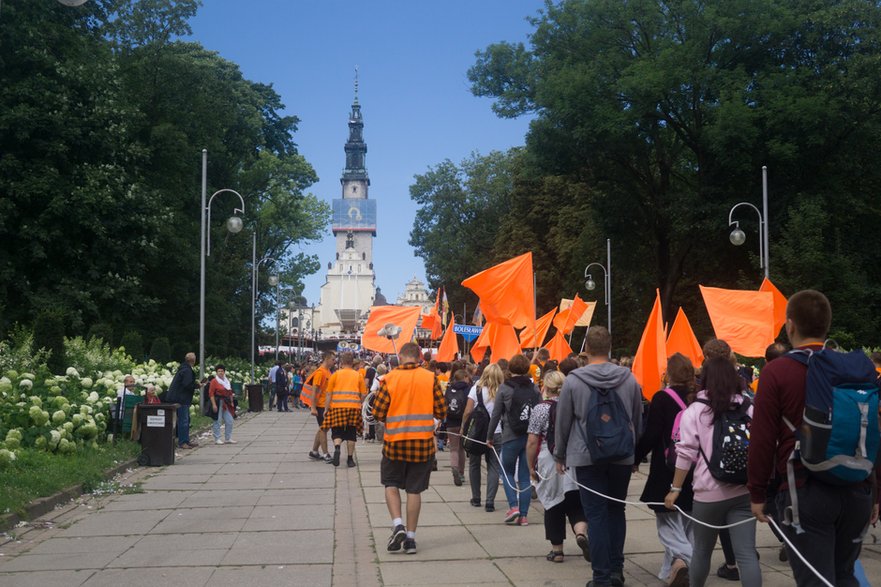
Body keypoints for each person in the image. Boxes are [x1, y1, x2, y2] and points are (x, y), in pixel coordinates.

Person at [748, 290, 879, 586]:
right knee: (844, 576)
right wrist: (875, 490)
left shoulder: (777, 371)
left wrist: (757, 492)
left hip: (804, 489)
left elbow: (762, 438)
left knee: (815, 580)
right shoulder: (858, 370)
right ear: (827, 325)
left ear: (790, 325)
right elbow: (872, 430)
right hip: (857, 487)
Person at [555, 326, 643, 587]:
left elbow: (563, 421)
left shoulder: (574, 380)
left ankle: (601, 577)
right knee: (617, 510)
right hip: (621, 456)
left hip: (585, 455)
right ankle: (616, 570)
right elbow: (637, 418)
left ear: (588, 350)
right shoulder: (628, 379)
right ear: (609, 346)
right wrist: (635, 453)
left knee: (596, 515)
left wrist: (560, 454)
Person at [665, 356, 760, 587]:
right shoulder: (747, 406)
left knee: (702, 551)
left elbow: (686, 453)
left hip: (708, 492)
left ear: (704, 378)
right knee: (746, 554)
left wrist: (675, 489)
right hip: (742, 489)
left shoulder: (695, 410)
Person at [373, 342, 446, 555]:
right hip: (422, 444)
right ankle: (411, 540)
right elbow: (441, 411)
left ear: (401, 357)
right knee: (414, 490)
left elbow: (377, 413)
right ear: (419, 358)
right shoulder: (430, 378)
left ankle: (398, 525)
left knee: (391, 484)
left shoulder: (389, 378)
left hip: (394, 443)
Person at [634, 353, 696, 587]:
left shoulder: (661, 398)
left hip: (667, 467)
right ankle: (671, 570)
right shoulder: (697, 397)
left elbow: (651, 434)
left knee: (667, 523)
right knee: (687, 521)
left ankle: (688, 561)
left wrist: (636, 457)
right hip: (695, 467)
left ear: (669, 373)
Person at [527, 370, 589, 564]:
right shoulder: (574, 406)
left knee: (553, 503)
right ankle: (580, 533)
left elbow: (532, 440)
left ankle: (557, 550)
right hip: (573, 458)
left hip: (549, 459)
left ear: (546, 386)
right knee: (575, 501)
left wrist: (530, 466)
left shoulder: (541, 409)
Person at [487, 353, 541, 526]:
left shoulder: (504, 388)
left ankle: (513, 506)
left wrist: (489, 436)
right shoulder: (534, 388)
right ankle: (524, 516)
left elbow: (496, 415)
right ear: (527, 368)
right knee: (525, 476)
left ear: (510, 368)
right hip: (529, 436)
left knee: (506, 472)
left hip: (510, 435)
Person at [463, 363, 503, 512]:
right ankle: (490, 501)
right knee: (493, 466)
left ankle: (476, 497)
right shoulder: (502, 391)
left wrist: (463, 427)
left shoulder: (476, 389)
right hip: (497, 432)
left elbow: (467, 411)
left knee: (474, 464)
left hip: (477, 433)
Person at [321, 352, 367, 467]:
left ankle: (337, 448)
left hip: (337, 407)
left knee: (337, 430)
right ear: (352, 362)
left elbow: (328, 394)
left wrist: (326, 409)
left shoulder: (335, 375)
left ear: (341, 362)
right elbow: (363, 394)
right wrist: (359, 403)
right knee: (351, 432)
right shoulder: (358, 376)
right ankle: (350, 459)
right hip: (353, 408)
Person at [165, 352, 203, 450]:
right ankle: (183, 442)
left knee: (186, 420)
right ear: (194, 361)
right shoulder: (187, 370)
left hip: (177, 397)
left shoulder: (183, 368)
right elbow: (187, 384)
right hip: (181, 399)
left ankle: (185, 440)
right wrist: (197, 385)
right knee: (184, 421)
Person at [444, 368, 470, 486]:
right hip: (463, 422)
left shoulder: (449, 389)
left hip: (451, 422)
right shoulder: (468, 389)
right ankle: (461, 473)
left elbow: (445, 405)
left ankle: (454, 467)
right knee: (461, 448)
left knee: (453, 448)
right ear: (464, 377)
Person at [308, 352, 336, 463]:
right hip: (320, 405)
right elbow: (314, 391)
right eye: (333, 359)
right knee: (323, 429)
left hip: (325, 405)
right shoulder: (320, 373)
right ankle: (326, 454)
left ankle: (314, 451)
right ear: (326, 359)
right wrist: (313, 407)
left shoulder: (327, 371)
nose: (334, 362)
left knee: (322, 428)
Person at [209, 365, 236, 445]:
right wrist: (214, 404)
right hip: (218, 402)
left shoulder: (226, 381)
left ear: (224, 372)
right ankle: (217, 438)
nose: (220, 372)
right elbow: (211, 394)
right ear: (216, 372)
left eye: (222, 371)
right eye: (219, 371)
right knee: (217, 420)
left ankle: (228, 438)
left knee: (230, 420)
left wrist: (231, 402)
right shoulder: (214, 381)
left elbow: (230, 392)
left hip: (226, 402)